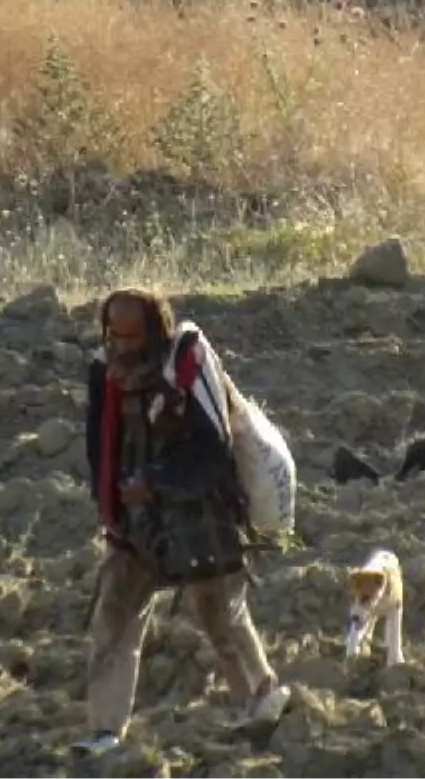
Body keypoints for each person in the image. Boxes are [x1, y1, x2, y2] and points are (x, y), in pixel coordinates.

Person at [72, 287, 291, 755]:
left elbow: (213, 448)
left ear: (155, 328)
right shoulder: (103, 371)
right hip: (135, 522)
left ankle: (263, 698)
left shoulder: (186, 367)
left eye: (132, 335)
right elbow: (101, 446)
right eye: (115, 334)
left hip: (198, 511)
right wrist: (112, 503)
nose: (123, 344)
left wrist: (156, 479)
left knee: (220, 614)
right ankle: (105, 731)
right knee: (113, 618)